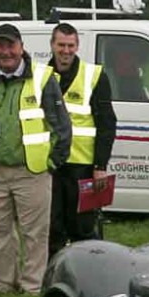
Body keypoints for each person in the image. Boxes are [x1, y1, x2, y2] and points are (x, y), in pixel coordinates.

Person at [0, 24, 72, 294]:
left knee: (35, 235)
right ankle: (3, 286)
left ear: (21, 47)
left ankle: (32, 287)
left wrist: (52, 163)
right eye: (0, 46)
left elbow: (62, 127)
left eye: (10, 45)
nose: (6, 51)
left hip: (32, 172)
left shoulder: (43, 78)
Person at [47, 23, 117, 257]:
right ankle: (53, 274)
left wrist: (100, 166)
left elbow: (107, 124)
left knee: (82, 228)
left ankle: (90, 270)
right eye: (61, 45)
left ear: (77, 46)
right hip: (49, 165)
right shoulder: (40, 76)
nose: (66, 51)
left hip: (83, 166)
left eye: (70, 45)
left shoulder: (94, 75)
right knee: (52, 226)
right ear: (52, 45)